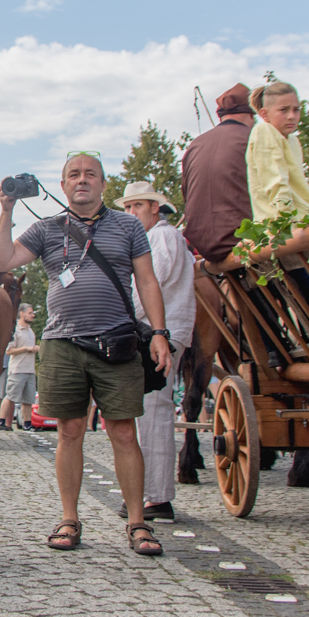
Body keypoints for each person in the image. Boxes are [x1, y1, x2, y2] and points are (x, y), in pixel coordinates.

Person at [0, 153, 173, 558]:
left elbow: (146, 279)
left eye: (90, 174)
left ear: (104, 184)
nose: (82, 180)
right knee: (69, 432)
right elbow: (0, 261)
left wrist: (159, 332)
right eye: (74, 174)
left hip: (117, 340)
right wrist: (6, 210)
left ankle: (137, 521)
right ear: (63, 185)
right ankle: (69, 518)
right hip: (61, 343)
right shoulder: (46, 228)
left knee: (124, 432)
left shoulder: (127, 225)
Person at [114, 181, 195, 524]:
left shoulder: (162, 237)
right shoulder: (156, 238)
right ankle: (148, 493)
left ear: (155, 208)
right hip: (159, 329)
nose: (131, 213)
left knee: (154, 409)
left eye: (138, 206)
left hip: (160, 332)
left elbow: (152, 285)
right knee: (149, 410)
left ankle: (157, 497)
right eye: (128, 207)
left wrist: (118, 315)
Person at [181, 83, 256, 264]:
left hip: (208, 251)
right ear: (252, 114)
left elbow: (186, 194)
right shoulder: (254, 138)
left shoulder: (195, 145)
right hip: (248, 245)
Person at [246, 81, 309, 224]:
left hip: (302, 218)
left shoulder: (292, 140)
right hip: (279, 222)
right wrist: (284, 220)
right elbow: (275, 182)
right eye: (283, 110)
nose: (291, 116)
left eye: (296, 110)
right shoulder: (264, 131)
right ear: (265, 114)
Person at [0, 304, 38, 431]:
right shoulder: (15, 330)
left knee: (28, 399)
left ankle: (27, 423)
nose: (33, 315)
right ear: (22, 313)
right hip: (17, 369)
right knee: (10, 396)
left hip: (30, 370)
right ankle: (2, 422)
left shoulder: (30, 331)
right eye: (30, 313)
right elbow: (9, 351)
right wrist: (26, 349)